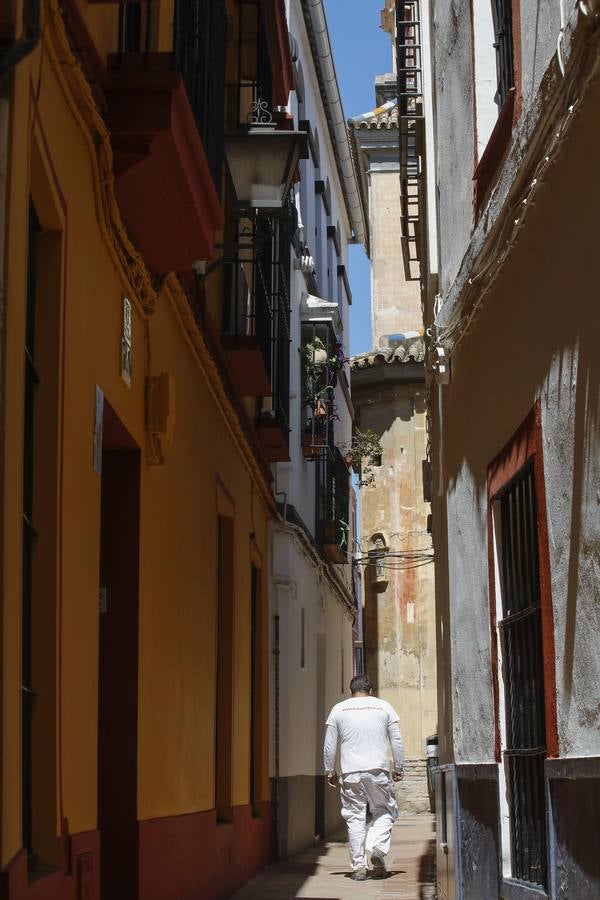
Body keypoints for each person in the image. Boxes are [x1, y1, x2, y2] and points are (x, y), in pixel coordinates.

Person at [323, 674, 404, 881]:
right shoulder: (384, 707)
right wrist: (399, 766)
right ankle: (377, 848)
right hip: (378, 769)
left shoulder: (339, 709)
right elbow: (396, 738)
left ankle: (359, 866)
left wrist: (329, 770)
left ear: (350, 691)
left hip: (350, 771)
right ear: (371, 691)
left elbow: (330, 744)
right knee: (385, 810)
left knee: (355, 817)